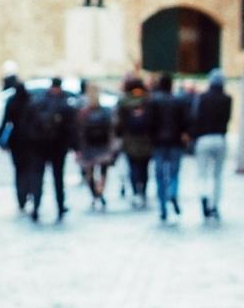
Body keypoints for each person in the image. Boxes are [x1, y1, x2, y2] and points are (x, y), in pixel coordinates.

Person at [15, 78, 77, 221]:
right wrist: (73, 146)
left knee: (38, 177)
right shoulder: (64, 103)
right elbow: (71, 128)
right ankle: (60, 206)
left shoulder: (37, 102)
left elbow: (26, 125)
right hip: (57, 147)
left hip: (39, 147)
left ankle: (36, 206)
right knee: (58, 178)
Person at [189, 69, 234, 222]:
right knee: (217, 175)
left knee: (202, 174)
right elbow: (227, 119)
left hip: (203, 138)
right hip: (219, 138)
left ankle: (204, 197)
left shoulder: (202, 98)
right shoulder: (227, 99)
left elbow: (195, 118)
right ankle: (214, 205)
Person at [149, 74, 190, 224]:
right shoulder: (178, 101)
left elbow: (149, 123)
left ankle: (163, 208)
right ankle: (172, 192)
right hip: (175, 142)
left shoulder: (153, 101)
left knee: (160, 175)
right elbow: (186, 122)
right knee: (174, 173)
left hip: (159, 143)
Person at [73, 82, 118, 210]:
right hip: (102, 145)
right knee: (103, 170)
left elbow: (78, 131)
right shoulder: (105, 111)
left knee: (90, 172)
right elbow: (111, 129)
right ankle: (100, 191)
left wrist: (78, 148)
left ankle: (95, 193)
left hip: (88, 146)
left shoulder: (83, 111)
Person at [116, 76, 156, 208]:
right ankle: (143, 191)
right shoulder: (148, 100)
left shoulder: (124, 101)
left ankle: (135, 192)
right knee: (144, 167)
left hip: (130, 139)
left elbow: (118, 123)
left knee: (133, 166)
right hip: (146, 139)